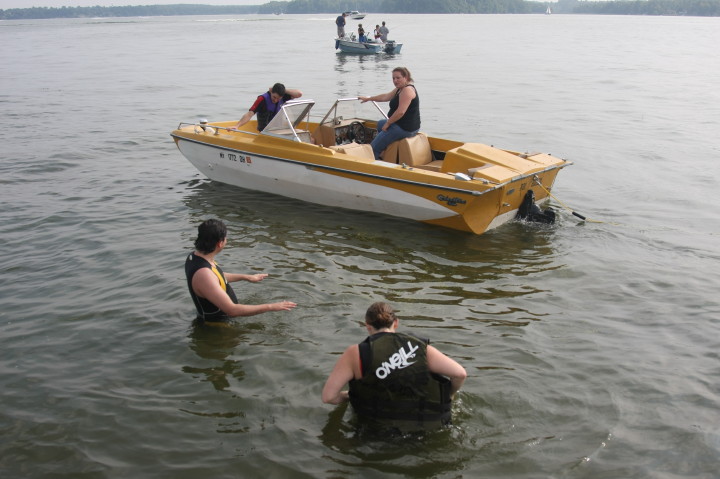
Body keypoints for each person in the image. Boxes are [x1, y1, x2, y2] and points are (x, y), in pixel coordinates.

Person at [322, 302, 467, 428]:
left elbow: (328, 397)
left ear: (367, 326)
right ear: (396, 323)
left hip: (377, 433)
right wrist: (449, 395)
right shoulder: (418, 346)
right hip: (426, 428)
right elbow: (460, 374)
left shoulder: (356, 353)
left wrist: (351, 396)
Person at [185, 219, 297, 324]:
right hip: (217, 326)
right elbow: (232, 310)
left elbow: (217, 278)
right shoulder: (203, 274)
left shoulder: (196, 257)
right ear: (220, 243)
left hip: (223, 319)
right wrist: (271, 307)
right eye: (226, 238)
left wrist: (246, 277)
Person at [359, 67, 420, 161]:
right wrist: (369, 98)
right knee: (380, 124)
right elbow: (385, 97)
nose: (395, 80)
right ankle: (384, 150)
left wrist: (388, 123)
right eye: (393, 78)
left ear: (406, 77)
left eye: (398, 78)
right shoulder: (399, 89)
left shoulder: (407, 91)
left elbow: (400, 112)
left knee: (373, 148)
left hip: (405, 128)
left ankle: (374, 163)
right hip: (402, 125)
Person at [233, 83, 302, 132]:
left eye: (278, 98)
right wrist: (237, 126)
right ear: (271, 91)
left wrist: (284, 90)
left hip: (279, 130)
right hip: (265, 133)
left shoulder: (283, 97)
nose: (275, 100)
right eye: (274, 97)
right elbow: (249, 114)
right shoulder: (262, 99)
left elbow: (299, 94)